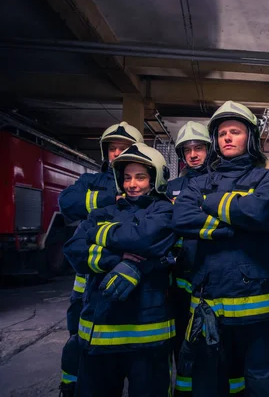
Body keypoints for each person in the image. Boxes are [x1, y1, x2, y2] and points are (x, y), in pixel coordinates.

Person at [172, 101, 269, 397]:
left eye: (234, 131)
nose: (227, 138)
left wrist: (209, 203)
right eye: (222, 133)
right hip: (208, 303)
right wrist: (236, 223)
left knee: (261, 377)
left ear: (249, 137)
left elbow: (260, 212)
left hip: (258, 302)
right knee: (209, 380)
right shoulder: (199, 181)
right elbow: (182, 219)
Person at [63, 143, 176, 397]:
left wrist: (98, 235)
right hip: (98, 332)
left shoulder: (164, 210)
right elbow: (74, 250)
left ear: (155, 179)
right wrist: (113, 258)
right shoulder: (103, 212)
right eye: (126, 178)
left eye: (140, 177)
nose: (132, 184)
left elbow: (143, 239)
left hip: (147, 336)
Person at [57, 122, 143, 396]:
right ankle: (71, 386)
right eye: (112, 148)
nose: (116, 153)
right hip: (88, 277)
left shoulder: (141, 181)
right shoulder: (93, 181)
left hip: (130, 281)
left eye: (123, 148)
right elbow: (67, 202)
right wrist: (110, 197)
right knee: (79, 336)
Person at [166, 121, 211, 396]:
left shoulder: (219, 180)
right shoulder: (171, 187)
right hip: (178, 280)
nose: (193, 155)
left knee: (210, 346)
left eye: (199, 148)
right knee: (181, 342)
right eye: (188, 150)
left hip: (210, 275)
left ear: (209, 149)